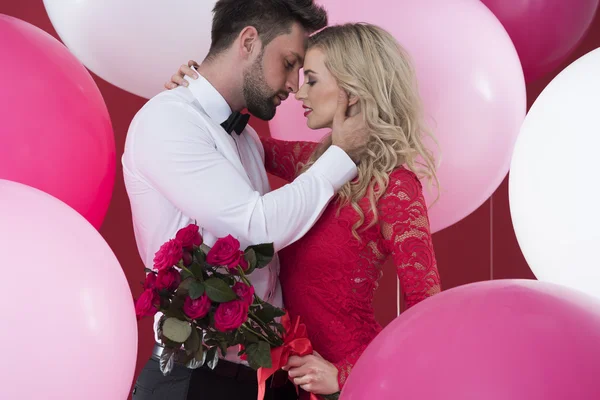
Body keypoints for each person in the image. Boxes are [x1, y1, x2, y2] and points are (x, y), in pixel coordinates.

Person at [168, 23, 442, 400]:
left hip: (346, 384)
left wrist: (345, 375)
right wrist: (193, 99)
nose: (299, 92)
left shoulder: (395, 186)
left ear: (354, 89)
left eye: (311, 80)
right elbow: (234, 142)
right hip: (285, 381)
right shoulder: (313, 161)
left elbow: (429, 311)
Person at [123, 1, 370, 399]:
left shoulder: (248, 138)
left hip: (263, 379)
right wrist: (342, 154)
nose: (293, 85)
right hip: (195, 379)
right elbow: (256, 228)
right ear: (249, 41)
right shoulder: (169, 120)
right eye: (289, 63)